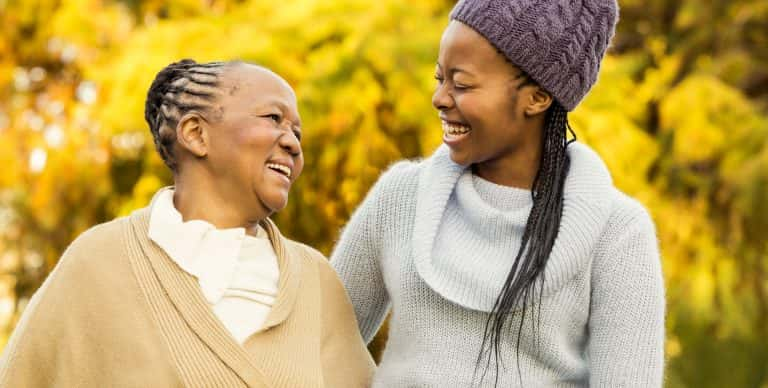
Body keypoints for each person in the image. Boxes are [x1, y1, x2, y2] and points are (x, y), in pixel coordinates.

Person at [331, 1, 665, 386]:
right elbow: (316, 344)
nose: (439, 98)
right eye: (440, 78)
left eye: (462, 84)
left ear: (537, 97)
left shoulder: (617, 232)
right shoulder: (402, 197)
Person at [0, 59, 374, 387]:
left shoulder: (315, 281)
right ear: (196, 133)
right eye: (274, 118)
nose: (292, 142)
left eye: (297, 132)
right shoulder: (98, 262)